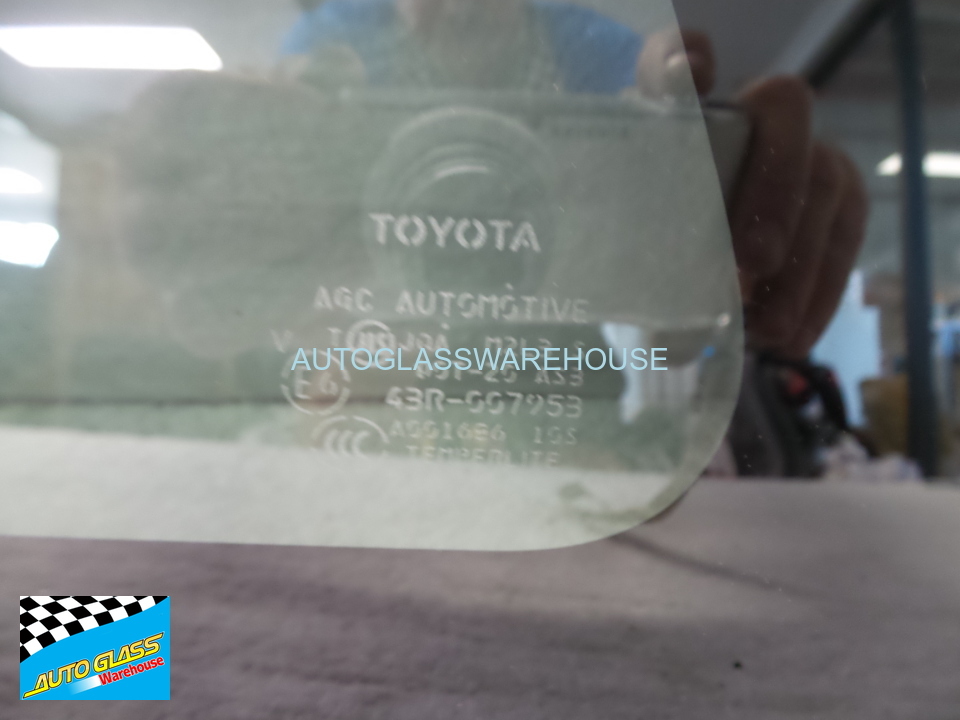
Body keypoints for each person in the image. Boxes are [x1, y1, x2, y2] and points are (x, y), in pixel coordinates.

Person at [281, 0, 868, 367]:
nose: (461, 6)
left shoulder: (592, 48)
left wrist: (738, 169)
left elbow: (664, 138)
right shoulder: (334, 39)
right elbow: (283, 168)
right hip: (364, 364)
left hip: (551, 374)